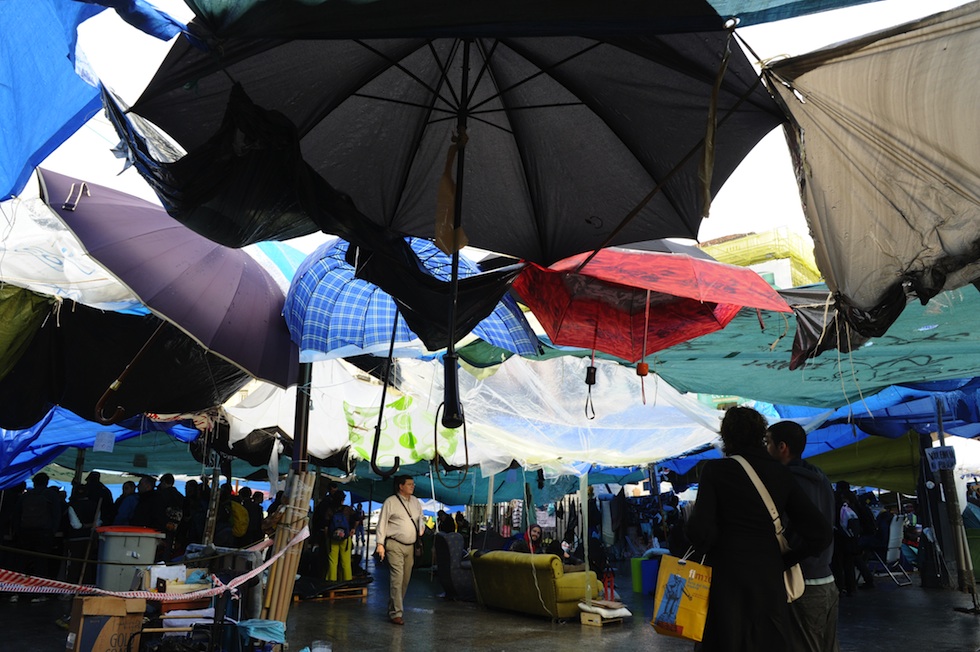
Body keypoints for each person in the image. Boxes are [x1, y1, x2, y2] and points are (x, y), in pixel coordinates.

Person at [686, 407, 832, 652]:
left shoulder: (715, 470)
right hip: (768, 582)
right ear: (761, 435)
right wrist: (786, 559)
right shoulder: (781, 473)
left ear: (726, 436)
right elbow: (821, 533)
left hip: (726, 582)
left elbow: (701, 532)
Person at [766, 420, 840, 652]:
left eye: (768, 442)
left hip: (801, 583)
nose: (765, 448)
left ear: (782, 447)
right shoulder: (820, 477)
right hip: (826, 579)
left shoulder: (785, 481)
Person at [375, 475, 423, 626]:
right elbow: (382, 523)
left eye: (413, 484)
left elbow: (420, 517)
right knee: (397, 578)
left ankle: (393, 607)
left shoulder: (415, 501)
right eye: (409, 484)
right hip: (394, 544)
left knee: (405, 580)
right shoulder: (390, 502)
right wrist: (380, 544)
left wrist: (421, 527)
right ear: (401, 486)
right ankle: (397, 613)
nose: (412, 486)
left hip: (410, 546)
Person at [326, 491, 354, 582]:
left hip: (332, 539)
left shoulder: (330, 510)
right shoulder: (347, 509)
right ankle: (347, 582)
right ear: (343, 499)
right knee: (346, 562)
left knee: (332, 562)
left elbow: (326, 524)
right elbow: (357, 517)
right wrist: (353, 529)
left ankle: (331, 583)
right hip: (345, 538)